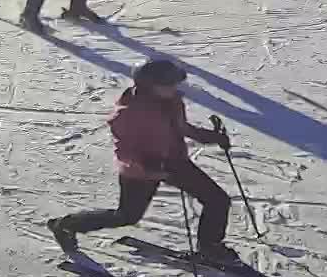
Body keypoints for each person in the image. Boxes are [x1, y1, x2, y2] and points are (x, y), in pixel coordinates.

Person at [47, 59, 239, 264]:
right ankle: (66, 225)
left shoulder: (172, 101)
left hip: (173, 161)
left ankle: (209, 247)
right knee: (127, 216)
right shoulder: (129, 113)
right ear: (149, 87)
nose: (175, 88)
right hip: (141, 170)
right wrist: (147, 168)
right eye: (169, 84)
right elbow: (124, 150)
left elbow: (183, 129)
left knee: (218, 200)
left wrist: (212, 137)